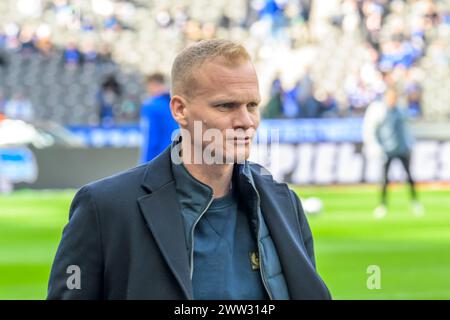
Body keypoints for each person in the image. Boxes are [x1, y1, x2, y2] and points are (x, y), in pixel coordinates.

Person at [47, 39, 331, 300]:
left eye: (252, 105)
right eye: (226, 106)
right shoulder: (105, 209)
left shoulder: (285, 204)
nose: (246, 121)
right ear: (180, 110)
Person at [365, 87, 423, 219]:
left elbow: (407, 129)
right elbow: (373, 131)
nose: (392, 100)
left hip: (402, 149)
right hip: (387, 150)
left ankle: (415, 202)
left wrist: (409, 144)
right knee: (385, 179)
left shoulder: (401, 111)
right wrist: (377, 147)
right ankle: (383, 204)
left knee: (409, 177)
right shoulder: (380, 112)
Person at [139, 73, 178, 163]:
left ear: (153, 84)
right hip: (177, 158)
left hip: (159, 161)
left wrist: (144, 165)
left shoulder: (151, 105)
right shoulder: (175, 102)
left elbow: (150, 140)